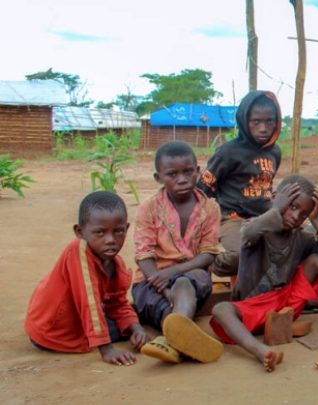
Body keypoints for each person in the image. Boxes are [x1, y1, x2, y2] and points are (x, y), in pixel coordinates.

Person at [210, 175, 318, 372]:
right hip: (253, 309)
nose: (296, 217)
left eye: (303, 214)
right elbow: (249, 233)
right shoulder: (257, 228)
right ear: (276, 198)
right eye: (292, 207)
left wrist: (315, 219)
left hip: (286, 306)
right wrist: (276, 209)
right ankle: (259, 350)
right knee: (221, 309)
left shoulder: (301, 237)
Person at [24, 191, 149, 366]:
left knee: (134, 321)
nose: (110, 240)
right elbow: (89, 303)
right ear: (80, 232)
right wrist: (107, 350)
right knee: (123, 323)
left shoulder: (115, 262)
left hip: (79, 319)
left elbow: (117, 303)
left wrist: (136, 328)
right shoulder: (78, 252)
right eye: (100, 232)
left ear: (127, 229)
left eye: (118, 231)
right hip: (53, 329)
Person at [132, 142, 224, 364]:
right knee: (169, 307)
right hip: (149, 279)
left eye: (188, 171)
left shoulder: (210, 208)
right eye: (172, 174)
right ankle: (180, 336)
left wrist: (172, 273)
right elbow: (144, 255)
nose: (182, 179)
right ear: (158, 177)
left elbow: (208, 255)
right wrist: (164, 288)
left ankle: (168, 340)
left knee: (184, 284)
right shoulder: (149, 208)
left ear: (198, 171)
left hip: (192, 275)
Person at [198, 91, 283, 277]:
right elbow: (202, 189)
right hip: (233, 218)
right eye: (256, 122)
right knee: (240, 256)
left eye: (270, 121)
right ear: (245, 120)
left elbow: (266, 184)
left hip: (264, 216)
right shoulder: (228, 152)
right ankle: (211, 263)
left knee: (299, 242)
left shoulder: (275, 152)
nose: (263, 128)